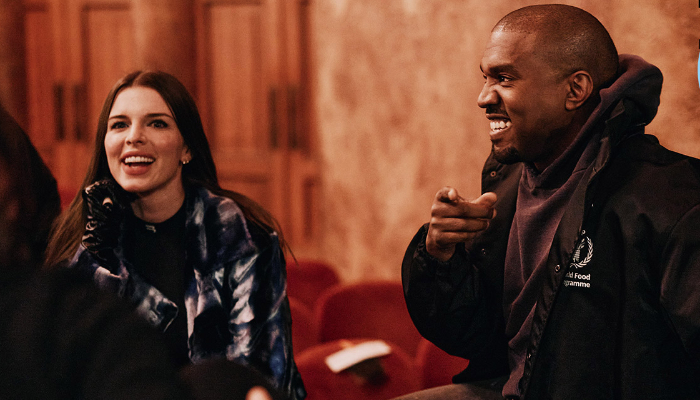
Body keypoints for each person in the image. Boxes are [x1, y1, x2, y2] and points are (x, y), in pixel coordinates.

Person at [400, 4, 700, 400]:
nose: (483, 97)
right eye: (485, 77)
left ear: (575, 90)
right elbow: (478, 338)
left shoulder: (670, 198)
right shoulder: (506, 184)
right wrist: (439, 257)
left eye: (504, 78)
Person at [45, 70, 306, 400]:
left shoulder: (240, 240)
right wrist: (100, 262)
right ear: (105, 144)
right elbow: (67, 368)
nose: (134, 137)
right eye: (119, 124)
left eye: (157, 123)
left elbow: (258, 379)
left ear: (186, 149)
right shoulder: (84, 240)